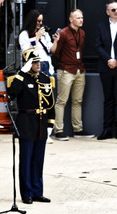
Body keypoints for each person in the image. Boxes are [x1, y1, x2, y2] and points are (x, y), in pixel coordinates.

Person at [8, 48, 55, 204]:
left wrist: (50, 124)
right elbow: (12, 93)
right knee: (26, 159)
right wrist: (22, 72)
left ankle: (37, 191)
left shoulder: (45, 78)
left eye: (38, 61)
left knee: (38, 159)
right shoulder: (21, 79)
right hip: (26, 121)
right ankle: (27, 192)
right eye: (34, 62)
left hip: (41, 121)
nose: (37, 64)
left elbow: (50, 103)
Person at [53, 9, 94, 140]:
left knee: (78, 101)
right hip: (66, 70)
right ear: (71, 19)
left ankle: (78, 129)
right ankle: (59, 130)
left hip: (79, 69)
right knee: (62, 101)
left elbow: (80, 50)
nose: (81, 20)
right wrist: (63, 66)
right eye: (78, 18)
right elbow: (56, 52)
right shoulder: (63, 33)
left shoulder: (82, 33)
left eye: (82, 18)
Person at [94, 1, 117, 139]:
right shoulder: (101, 26)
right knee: (108, 99)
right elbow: (98, 45)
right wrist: (109, 59)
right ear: (107, 12)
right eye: (113, 9)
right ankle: (107, 129)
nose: (116, 12)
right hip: (106, 67)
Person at [18, 9, 56, 77]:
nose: (41, 23)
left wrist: (56, 41)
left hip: (47, 64)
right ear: (32, 21)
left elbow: (52, 50)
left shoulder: (44, 33)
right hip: (34, 66)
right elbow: (27, 52)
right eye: (38, 21)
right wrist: (37, 36)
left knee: (48, 87)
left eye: (41, 21)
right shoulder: (24, 34)